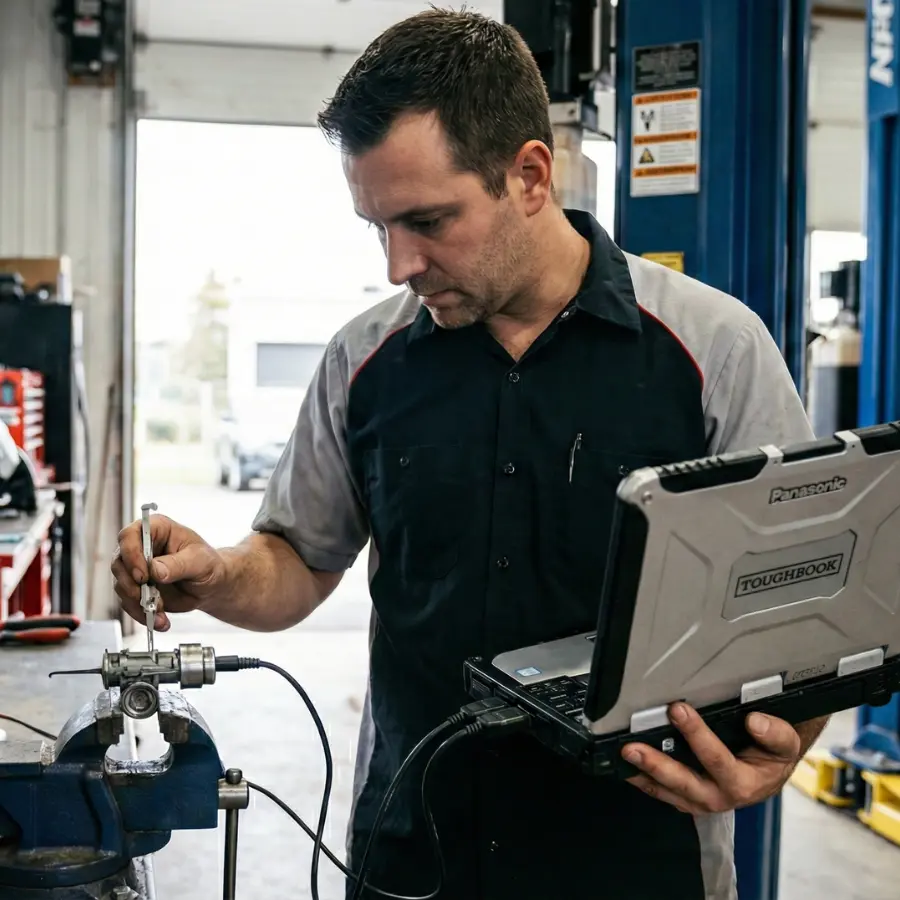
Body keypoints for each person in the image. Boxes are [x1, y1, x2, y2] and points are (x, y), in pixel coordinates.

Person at [112, 9, 828, 899]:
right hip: (415, 855)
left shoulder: (710, 350)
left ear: (530, 175)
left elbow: (811, 592)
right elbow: (300, 558)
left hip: (637, 858)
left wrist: (787, 744)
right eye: (377, 227)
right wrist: (219, 571)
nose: (398, 264)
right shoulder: (364, 363)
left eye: (427, 221)